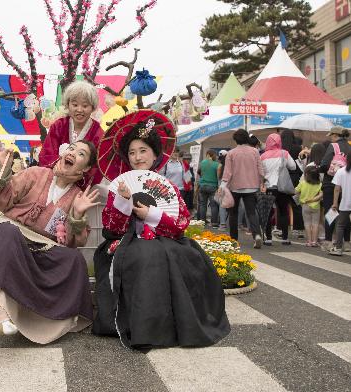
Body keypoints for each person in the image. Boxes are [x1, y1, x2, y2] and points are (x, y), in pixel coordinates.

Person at [92, 111, 230, 350]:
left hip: (165, 237)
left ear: (155, 154)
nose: (137, 157)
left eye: (143, 150)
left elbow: (181, 223)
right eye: (132, 152)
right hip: (128, 240)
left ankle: (175, 324)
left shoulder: (168, 188)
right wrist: (124, 203)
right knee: (145, 256)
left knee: (186, 256)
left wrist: (151, 215)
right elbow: (111, 228)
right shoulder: (121, 185)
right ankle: (143, 326)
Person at [0, 140, 100, 343]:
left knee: (74, 259)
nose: (72, 152)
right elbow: (0, 202)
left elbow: (74, 242)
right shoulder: (35, 173)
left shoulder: (77, 195)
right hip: (7, 237)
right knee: (9, 232)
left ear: (85, 167)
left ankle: (54, 317)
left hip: (39, 250)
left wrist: (77, 215)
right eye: (71, 148)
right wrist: (4, 172)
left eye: (80, 154)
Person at [38, 80, 103, 185]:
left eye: (85, 106)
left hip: (80, 184)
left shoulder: (98, 133)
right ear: (68, 105)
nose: (79, 109)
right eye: (75, 104)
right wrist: (58, 168)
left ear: (93, 108)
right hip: (54, 178)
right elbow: (46, 153)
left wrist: (80, 176)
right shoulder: (59, 126)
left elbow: (98, 166)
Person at [221, 129, 264, 247]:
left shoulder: (231, 153)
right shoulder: (255, 151)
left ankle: (234, 240)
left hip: (235, 187)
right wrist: (262, 182)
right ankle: (257, 235)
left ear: (235, 140)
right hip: (252, 186)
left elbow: (228, 172)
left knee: (233, 213)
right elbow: (260, 169)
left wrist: (222, 185)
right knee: (251, 212)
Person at [319, 126, 351, 251]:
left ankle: (328, 241)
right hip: (347, 183)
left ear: (334, 135)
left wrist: (322, 169)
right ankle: (347, 242)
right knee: (344, 211)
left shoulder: (333, 146)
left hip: (331, 183)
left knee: (331, 211)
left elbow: (324, 165)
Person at [261, 133, 296, 245]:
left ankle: (268, 238)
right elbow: (293, 167)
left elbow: (260, 172)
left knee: (268, 212)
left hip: (268, 186)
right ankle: (285, 238)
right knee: (283, 212)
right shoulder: (284, 153)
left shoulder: (263, 156)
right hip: (282, 186)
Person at [280, 129, 304, 238]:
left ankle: (281, 228)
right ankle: (298, 229)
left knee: (282, 204)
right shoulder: (298, 148)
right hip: (295, 177)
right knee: (296, 203)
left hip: (283, 177)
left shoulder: (281, 149)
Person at [329, 150, 351, 256]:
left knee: (340, 225)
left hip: (346, 202)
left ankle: (338, 248)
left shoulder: (341, 171)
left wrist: (335, 203)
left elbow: (337, 189)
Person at [295, 166, 322, 247]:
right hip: (316, 206)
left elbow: (295, 191)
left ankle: (309, 241)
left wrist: (301, 197)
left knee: (307, 223)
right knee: (315, 224)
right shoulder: (320, 184)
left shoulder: (302, 183)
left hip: (305, 205)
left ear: (306, 175)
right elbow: (321, 194)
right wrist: (313, 199)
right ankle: (314, 241)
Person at [197, 149, 220, 227]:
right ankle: (214, 223)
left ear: (207, 154)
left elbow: (199, 172)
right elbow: (218, 177)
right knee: (214, 205)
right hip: (213, 186)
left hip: (202, 185)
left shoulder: (202, 163)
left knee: (203, 204)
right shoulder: (217, 164)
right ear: (214, 155)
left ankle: (202, 222)